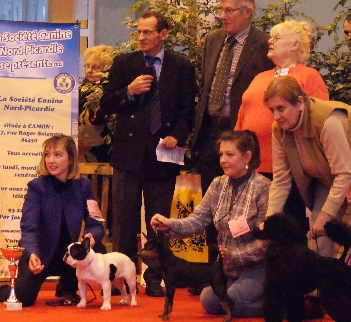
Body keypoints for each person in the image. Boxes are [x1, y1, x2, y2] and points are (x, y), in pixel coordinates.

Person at [100, 11, 196, 297]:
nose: (141, 37)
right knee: (124, 222)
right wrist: (128, 91)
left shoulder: (181, 66)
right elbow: (106, 103)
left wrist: (177, 135)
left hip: (161, 157)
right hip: (128, 156)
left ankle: (155, 278)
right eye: (139, 32)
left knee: (158, 222)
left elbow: (186, 111)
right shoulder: (124, 63)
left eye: (148, 32)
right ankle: (120, 279)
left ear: (163, 34)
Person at [0, 134, 106, 306]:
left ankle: (66, 285)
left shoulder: (83, 186)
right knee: (24, 298)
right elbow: (29, 228)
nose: (51, 160)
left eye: (57, 155)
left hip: (70, 255)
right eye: (47, 155)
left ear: (71, 159)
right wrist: (32, 253)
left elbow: (96, 222)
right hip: (42, 254)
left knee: (99, 250)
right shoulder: (36, 187)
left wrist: (92, 235)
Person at [189, 0, 273, 268]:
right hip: (210, 131)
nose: (222, 16)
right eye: (221, 10)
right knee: (212, 203)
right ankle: (215, 268)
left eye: (229, 11)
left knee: (241, 204)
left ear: (248, 12)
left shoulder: (262, 43)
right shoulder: (213, 39)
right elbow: (207, 85)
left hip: (241, 132)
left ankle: (242, 265)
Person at [263, 76, 351, 296]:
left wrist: (325, 216)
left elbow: (345, 174)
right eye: (272, 110)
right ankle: (318, 297)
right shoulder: (278, 129)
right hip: (330, 180)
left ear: (300, 102)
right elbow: (280, 180)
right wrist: (270, 221)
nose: (277, 116)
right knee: (317, 238)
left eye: (281, 108)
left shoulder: (329, 120)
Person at [151, 130, 270, 317]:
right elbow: (198, 219)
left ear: (247, 156)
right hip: (226, 269)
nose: (223, 160)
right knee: (209, 301)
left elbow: (270, 240)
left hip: (258, 267)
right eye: (221, 154)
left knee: (231, 302)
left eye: (230, 154)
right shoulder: (217, 184)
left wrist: (236, 255)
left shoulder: (263, 187)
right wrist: (170, 225)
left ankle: (282, 304)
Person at [235, 19, 329, 234]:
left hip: (290, 171)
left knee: (287, 233)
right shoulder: (260, 77)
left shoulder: (309, 76)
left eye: (277, 38)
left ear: (295, 45)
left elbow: (317, 124)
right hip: (253, 169)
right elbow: (241, 118)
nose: (270, 41)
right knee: (253, 230)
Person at [78, 45, 116, 163]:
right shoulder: (80, 90)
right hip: (80, 150)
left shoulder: (111, 93)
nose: (89, 70)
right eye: (87, 66)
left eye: (95, 67)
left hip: (102, 152)